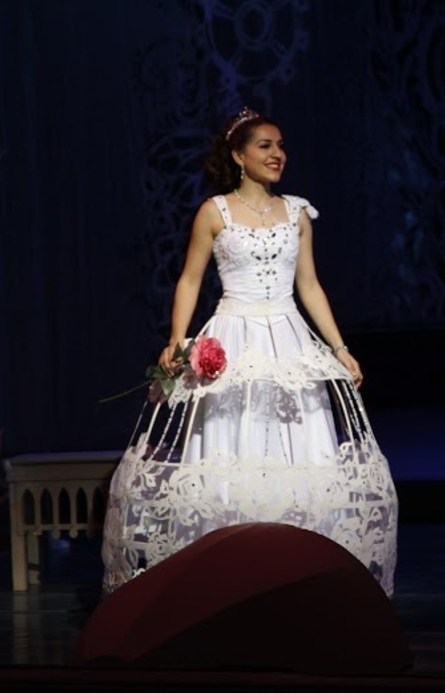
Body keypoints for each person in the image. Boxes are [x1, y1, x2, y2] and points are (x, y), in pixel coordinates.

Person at [101, 107, 398, 596]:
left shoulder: (297, 213)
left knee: (299, 445)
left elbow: (309, 286)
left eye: (280, 146)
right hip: (233, 337)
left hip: (288, 337)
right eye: (265, 146)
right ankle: (227, 575)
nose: (277, 154)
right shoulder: (214, 212)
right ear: (239, 156)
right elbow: (190, 279)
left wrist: (339, 347)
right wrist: (178, 339)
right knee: (232, 444)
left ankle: (301, 572)